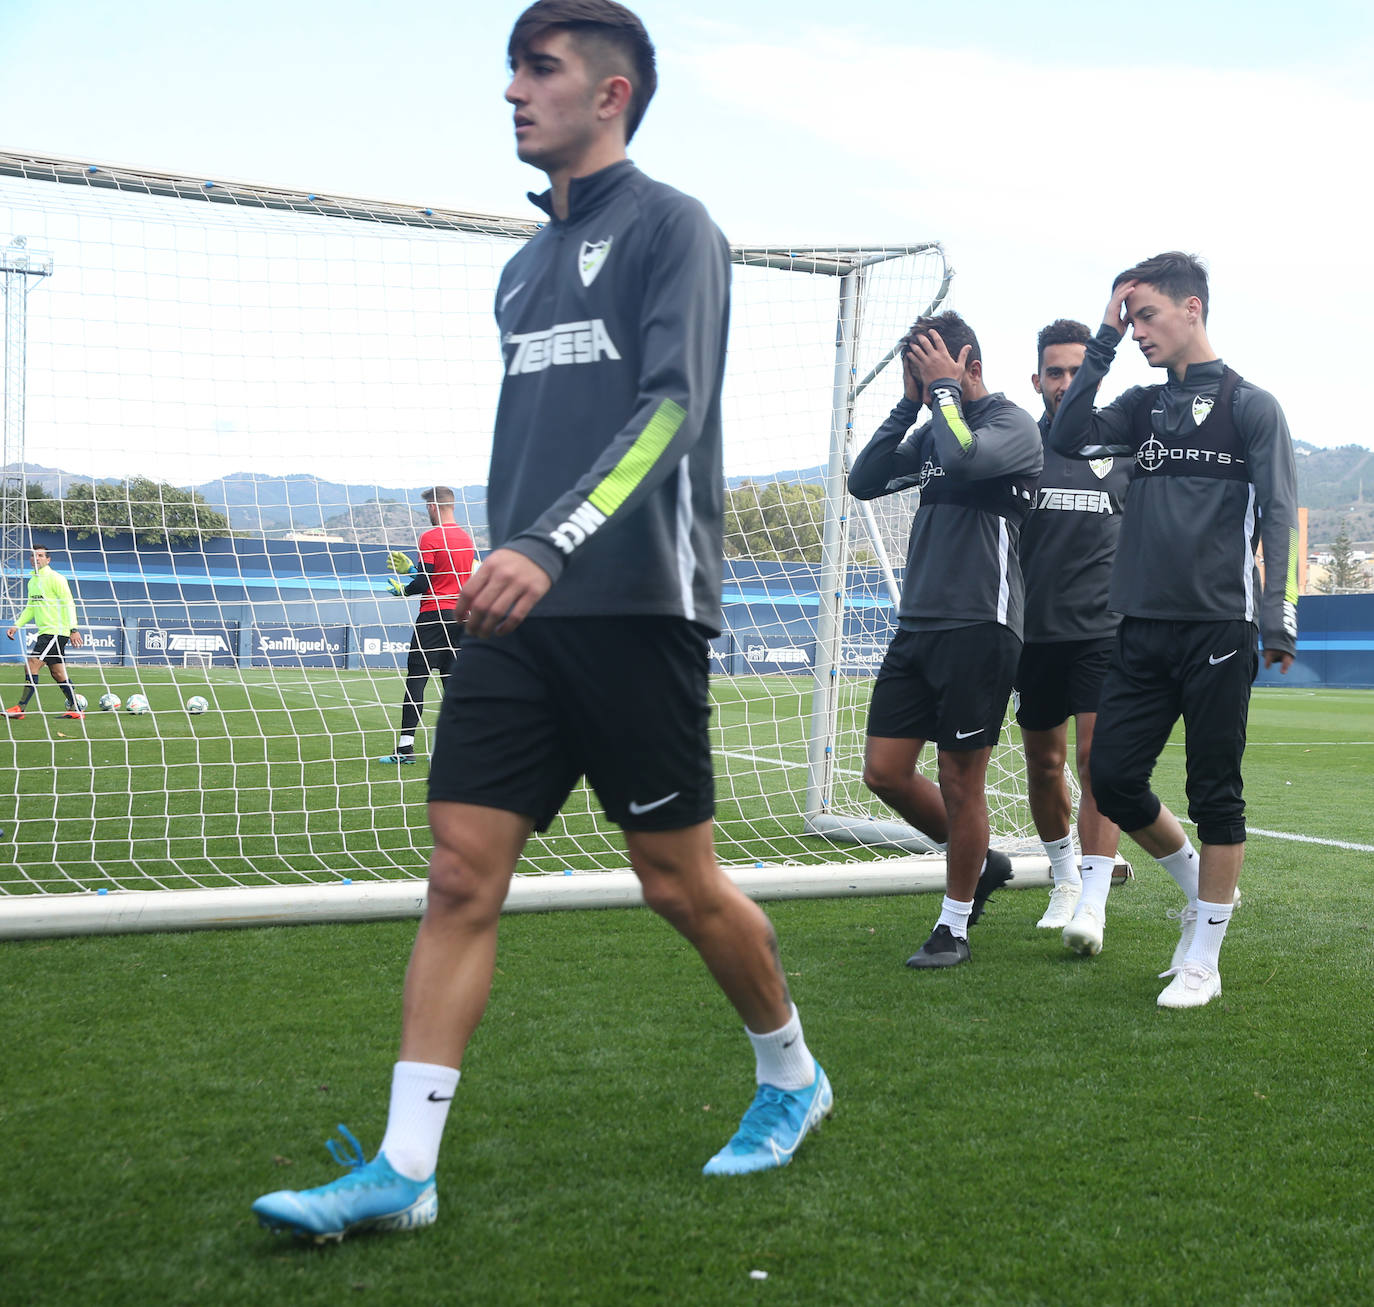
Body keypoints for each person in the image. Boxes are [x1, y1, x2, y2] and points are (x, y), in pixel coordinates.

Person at [253, 0, 831, 1244]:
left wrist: (549, 540)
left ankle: (791, 1072)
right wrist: (516, 553)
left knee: (677, 881)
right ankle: (407, 1169)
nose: (514, 90)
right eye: (513, 67)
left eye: (540, 68)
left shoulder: (675, 228)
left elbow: (674, 409)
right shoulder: (520, 267)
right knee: (461, 872)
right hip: (514, 616)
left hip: (633, 604)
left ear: (610, 94)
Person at [1048, 251, 1297, 1008]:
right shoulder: (1139, 404)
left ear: (1193, 309)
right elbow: (1066, 437)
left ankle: (1204, 959)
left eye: (1145, 315)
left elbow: (1281, 513)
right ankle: (1200, 890)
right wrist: (1101, 336)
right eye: (1129, 318)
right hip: (1140, 629)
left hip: (1218, 628)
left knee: (1215, 791)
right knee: (1115, 779)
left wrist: (1276, 615)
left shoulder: (1252, 406)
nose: (1138, 331)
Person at [848, 311, 1043, 969]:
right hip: (919, 624)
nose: (924, 378)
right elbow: (865, 479)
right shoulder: (933, 424)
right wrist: (911, 402)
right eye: (915, 367)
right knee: (884, 772)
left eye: (931, 363)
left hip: (980, 626)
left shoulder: (1011, 425)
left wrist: (942, 392)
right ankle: (980, 861)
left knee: (961, 783)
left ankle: (953, 927)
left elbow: (966, 456)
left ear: (968, 362)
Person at [1015, 320, 1131, 943]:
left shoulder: (1122, 451)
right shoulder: (1019, 448)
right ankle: (1063, 877)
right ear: (1036, 381)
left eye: (1075, 371)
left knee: (1097, 762)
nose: (1064, 383)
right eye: (1054, 372)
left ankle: (1092, 900)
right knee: (1043, 763)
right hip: (1032, 636)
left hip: (1104, 634)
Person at [375, 486, 475, 765]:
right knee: (452, 682)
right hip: (461, 618)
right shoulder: (467, 539)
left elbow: (426, 582)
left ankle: (405, 749)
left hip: (434, 616)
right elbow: (449, 576)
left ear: (433, 507)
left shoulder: (430, 536)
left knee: (417, 678)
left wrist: (403, 589)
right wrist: (412, 571)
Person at [5, 545, 85, 720]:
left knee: (32, 663)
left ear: (48, 560)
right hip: (46, 633)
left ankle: (20, 708)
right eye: (33, 556)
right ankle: (76, 709)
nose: (36, 558)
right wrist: (16, 625)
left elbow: (69, 603)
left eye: (40, 555)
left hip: (56, 631)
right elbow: (31, 608)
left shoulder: (56, 578)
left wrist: (73, 629)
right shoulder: (32, 581)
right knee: (57, 673)